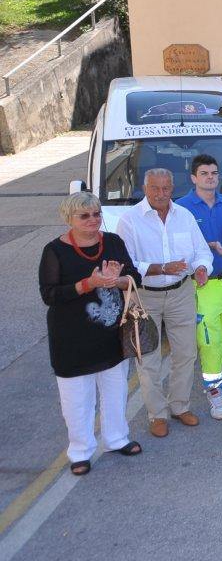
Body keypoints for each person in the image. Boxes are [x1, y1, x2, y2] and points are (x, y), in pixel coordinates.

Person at [40, 193, 143, 475]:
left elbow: (135, 277)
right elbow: (49, 295)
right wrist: (89, 283)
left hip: (111, 335)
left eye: (96, 214)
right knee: (77, 399)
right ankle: (80, 451)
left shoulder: (112, 242)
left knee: (115, 390)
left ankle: (116, 438)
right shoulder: (54, 251)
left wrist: (118, 280)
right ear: (69, 219)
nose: (93, 220)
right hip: (72, 340)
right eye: (84, 216)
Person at [116, 168, 212, 438]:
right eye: (155, 188)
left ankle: (180, 406)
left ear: (173, 188)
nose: (160, 194)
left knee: (186, 353)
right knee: (148, 358)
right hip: (144, 296)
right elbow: (128, 265)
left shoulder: (184, 215)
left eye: (166, 188)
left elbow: (201, 250)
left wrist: (202, 267)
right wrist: (161, 268)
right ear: (145, 189)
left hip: (181, 292)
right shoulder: (130, 220)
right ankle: (157, 414)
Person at [176, 154, 222, 416]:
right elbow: (179, 248)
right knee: (210, 341)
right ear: (194, 178)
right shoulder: (181, 207)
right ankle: (213, 391)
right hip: (203, 285)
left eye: (214, 173)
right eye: (204, 173)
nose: (210, 177)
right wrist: (209, 246)